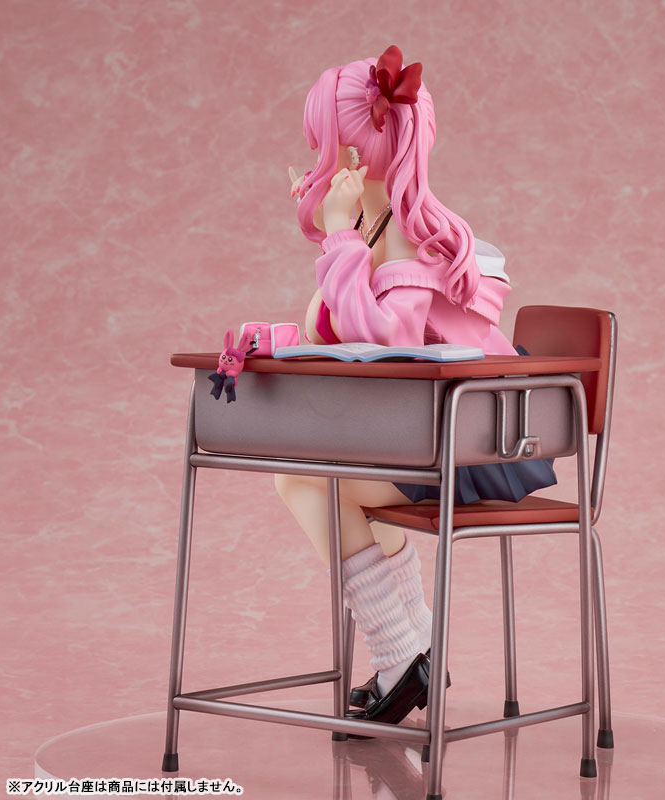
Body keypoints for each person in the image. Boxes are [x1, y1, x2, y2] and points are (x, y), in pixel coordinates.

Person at [275, 46, 556, 730]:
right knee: (312, 479)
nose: (316, 158)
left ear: (353, 153)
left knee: (311, 482)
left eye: (323, 144)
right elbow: (335, 328)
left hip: (474, 441)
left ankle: (403, 653)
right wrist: (340, 238)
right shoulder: (381, 227)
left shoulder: (405, 238)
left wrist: (339, 237)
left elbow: (384, 343)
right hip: (436, 432)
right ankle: (415, 647)